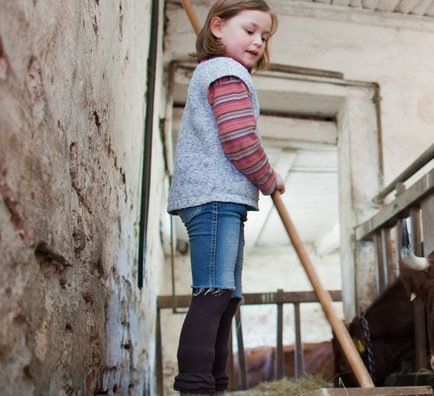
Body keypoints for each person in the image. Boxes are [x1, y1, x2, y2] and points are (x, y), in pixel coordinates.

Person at [166, 0, 284, 394]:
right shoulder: (226, 71)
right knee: (213, 294)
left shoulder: (221, 72)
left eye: (264, 36)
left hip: (223, 198)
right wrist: (268, 178)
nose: (258, 42)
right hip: (214, 196)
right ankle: (197, 386)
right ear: (217, 27)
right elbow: (238, 139)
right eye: (249, 30)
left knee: (226, 297)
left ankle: (214, 383)